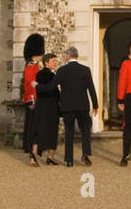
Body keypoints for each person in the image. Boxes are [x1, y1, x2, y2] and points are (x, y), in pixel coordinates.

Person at [38, 47, 98, 166]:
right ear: (77, 56)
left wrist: (37, 86)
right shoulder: (85, 70)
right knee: (85, 130)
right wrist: (95, 105)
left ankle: (69, 160)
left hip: (68, 106)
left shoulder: (62, 70)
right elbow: (91, 89)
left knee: (69, 132)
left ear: (68, 56)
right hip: (82, 105)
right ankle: (85, 154)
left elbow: (51, 86)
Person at [32, 53, 61, 165]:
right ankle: (50, 157)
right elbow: (52, 90)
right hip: (51, 106)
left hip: (41, 105)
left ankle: (33, 155)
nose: (55, 63)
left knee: (39, 131)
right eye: (53, 61)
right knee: (52, 131)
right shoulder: (53, 76)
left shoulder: (39, 74)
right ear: (46, 63)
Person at [22, 33, 44, 166]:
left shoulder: (35, 66)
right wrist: (31, 100)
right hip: (33, 101)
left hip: (36, 100)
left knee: (36, 128)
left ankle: (34, 153)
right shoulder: (31, 66)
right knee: (33, 128)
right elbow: (30, 83)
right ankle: (32, 154)